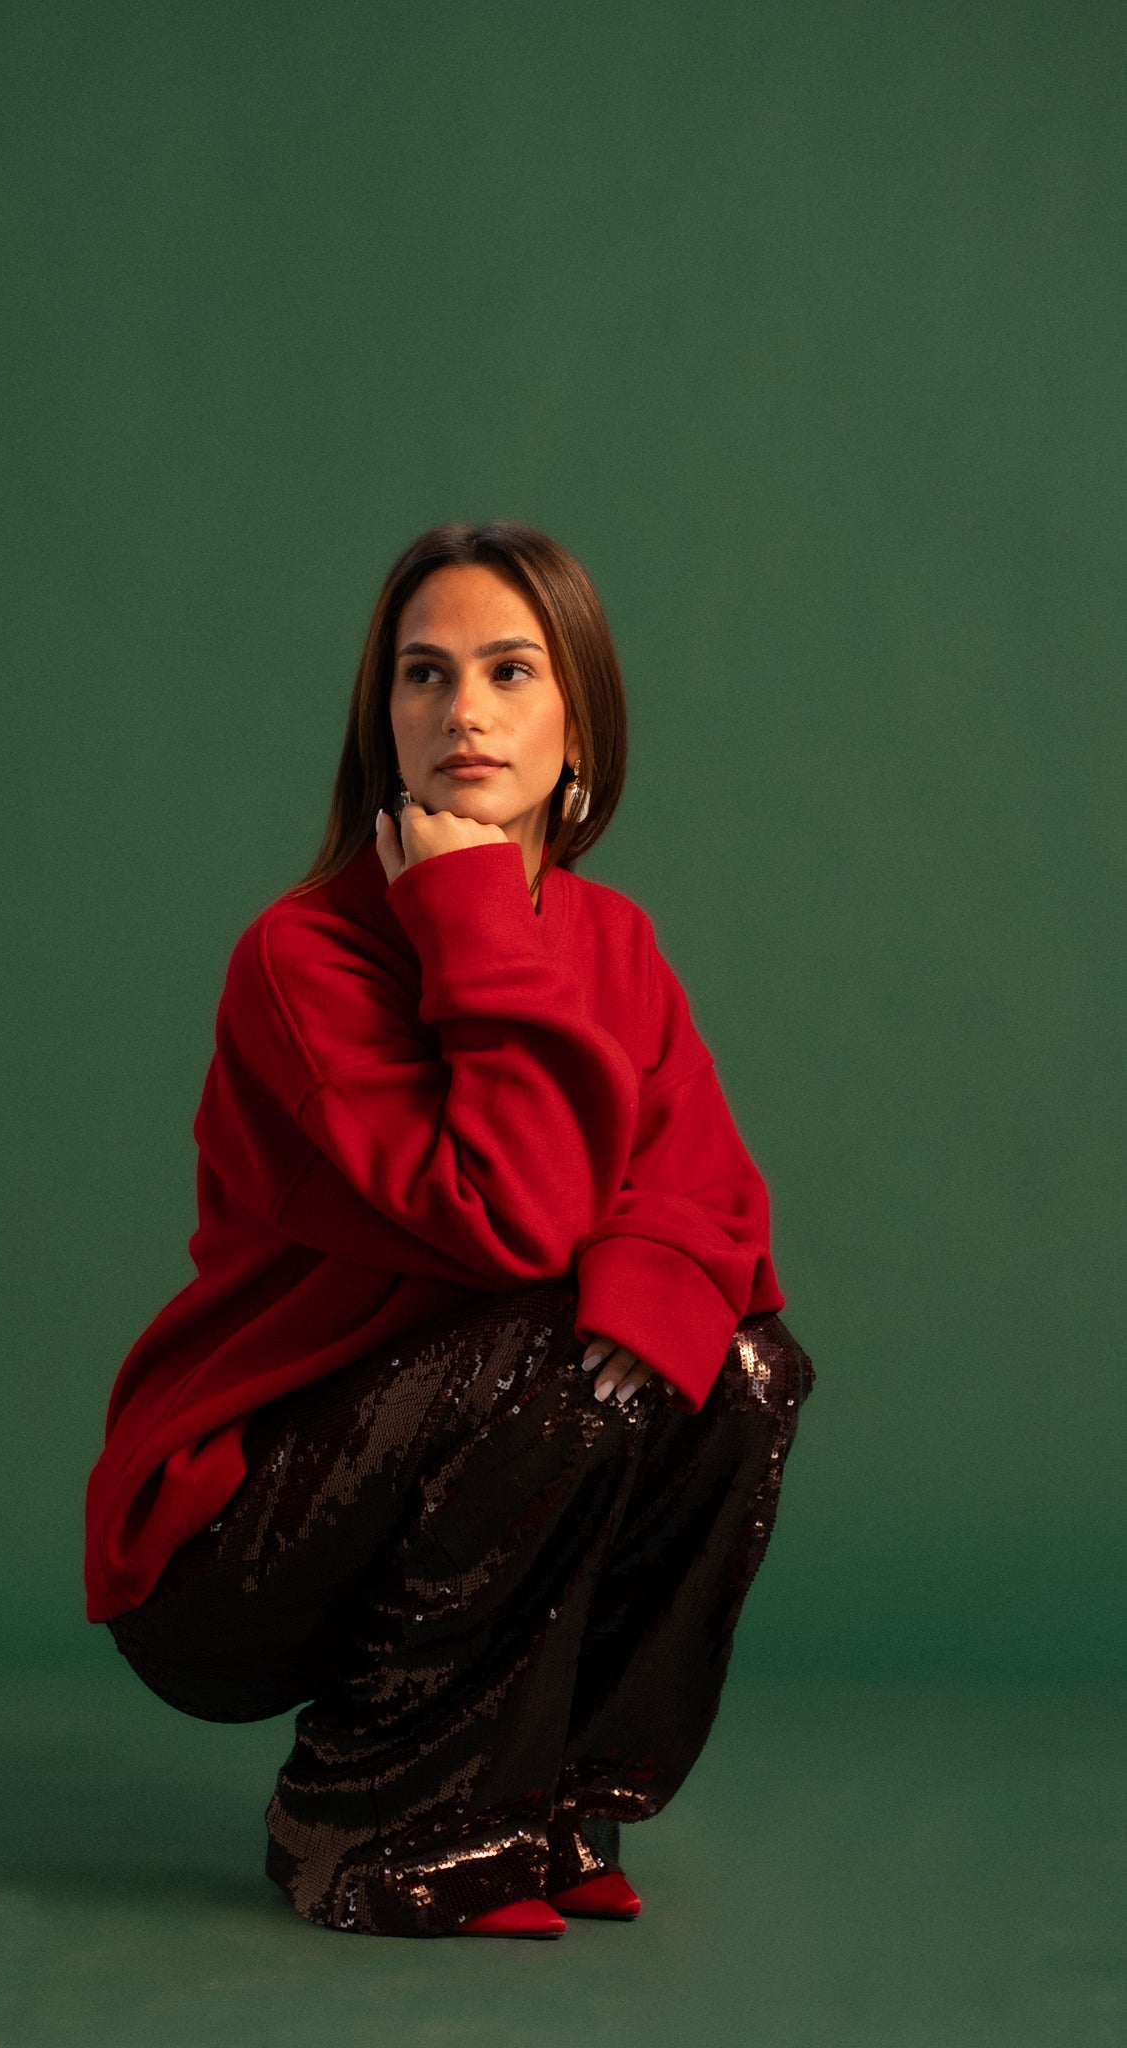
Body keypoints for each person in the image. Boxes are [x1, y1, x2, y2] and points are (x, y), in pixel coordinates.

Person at [83, 519, 815, 1941]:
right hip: (236, 1536)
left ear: (577, 725)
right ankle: (375, 1820)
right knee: (567, 1342)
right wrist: (470, 905)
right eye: (424, 675)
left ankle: (549, 1799)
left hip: (468, 1439)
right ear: (384, 723)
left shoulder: (616, 943)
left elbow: (713, 1205)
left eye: (509, 670)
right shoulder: (301, 958)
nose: (463, 709)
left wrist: (652, 1281)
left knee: (741, 1367)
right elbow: (510, 1220)